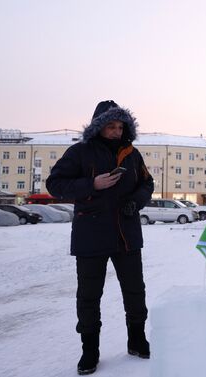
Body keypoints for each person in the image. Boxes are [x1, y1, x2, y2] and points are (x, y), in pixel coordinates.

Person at [46, 100, 154, 375]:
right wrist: (91, 184)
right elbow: (54, 184)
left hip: (126, 233)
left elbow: (147, 183)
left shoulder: (132, 154)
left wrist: (136, 201)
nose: (117, 131)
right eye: (111, 126)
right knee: (89, 296)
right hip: (90, 234)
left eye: (120, 126)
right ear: (98, 126)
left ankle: (137, 340)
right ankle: (90, 351)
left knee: (135, 290)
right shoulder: (80, 152)